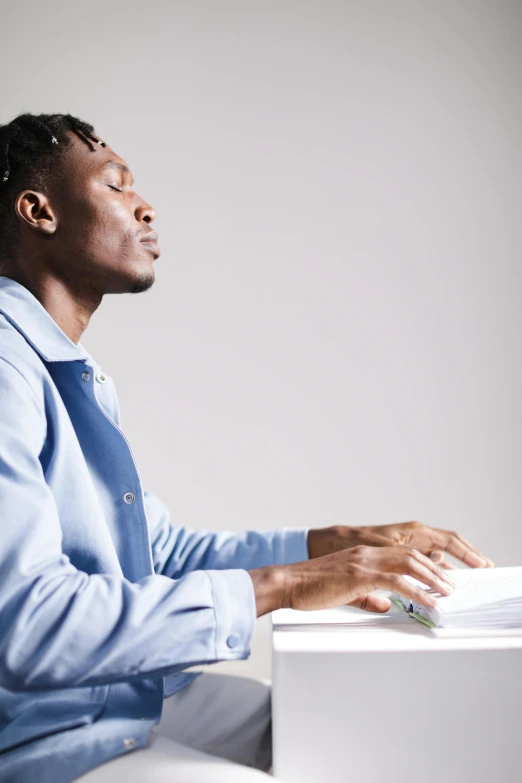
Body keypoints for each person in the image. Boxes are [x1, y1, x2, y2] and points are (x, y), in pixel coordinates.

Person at [0, 112, 494, 783]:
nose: (146, 206)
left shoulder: (66, 373)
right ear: (39, 211)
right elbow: (29, 625)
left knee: (348, 734)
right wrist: (285, 585)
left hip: (124, 696)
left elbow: (159, 556)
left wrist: (339, 545)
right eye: (117, 186)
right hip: (42, 734)